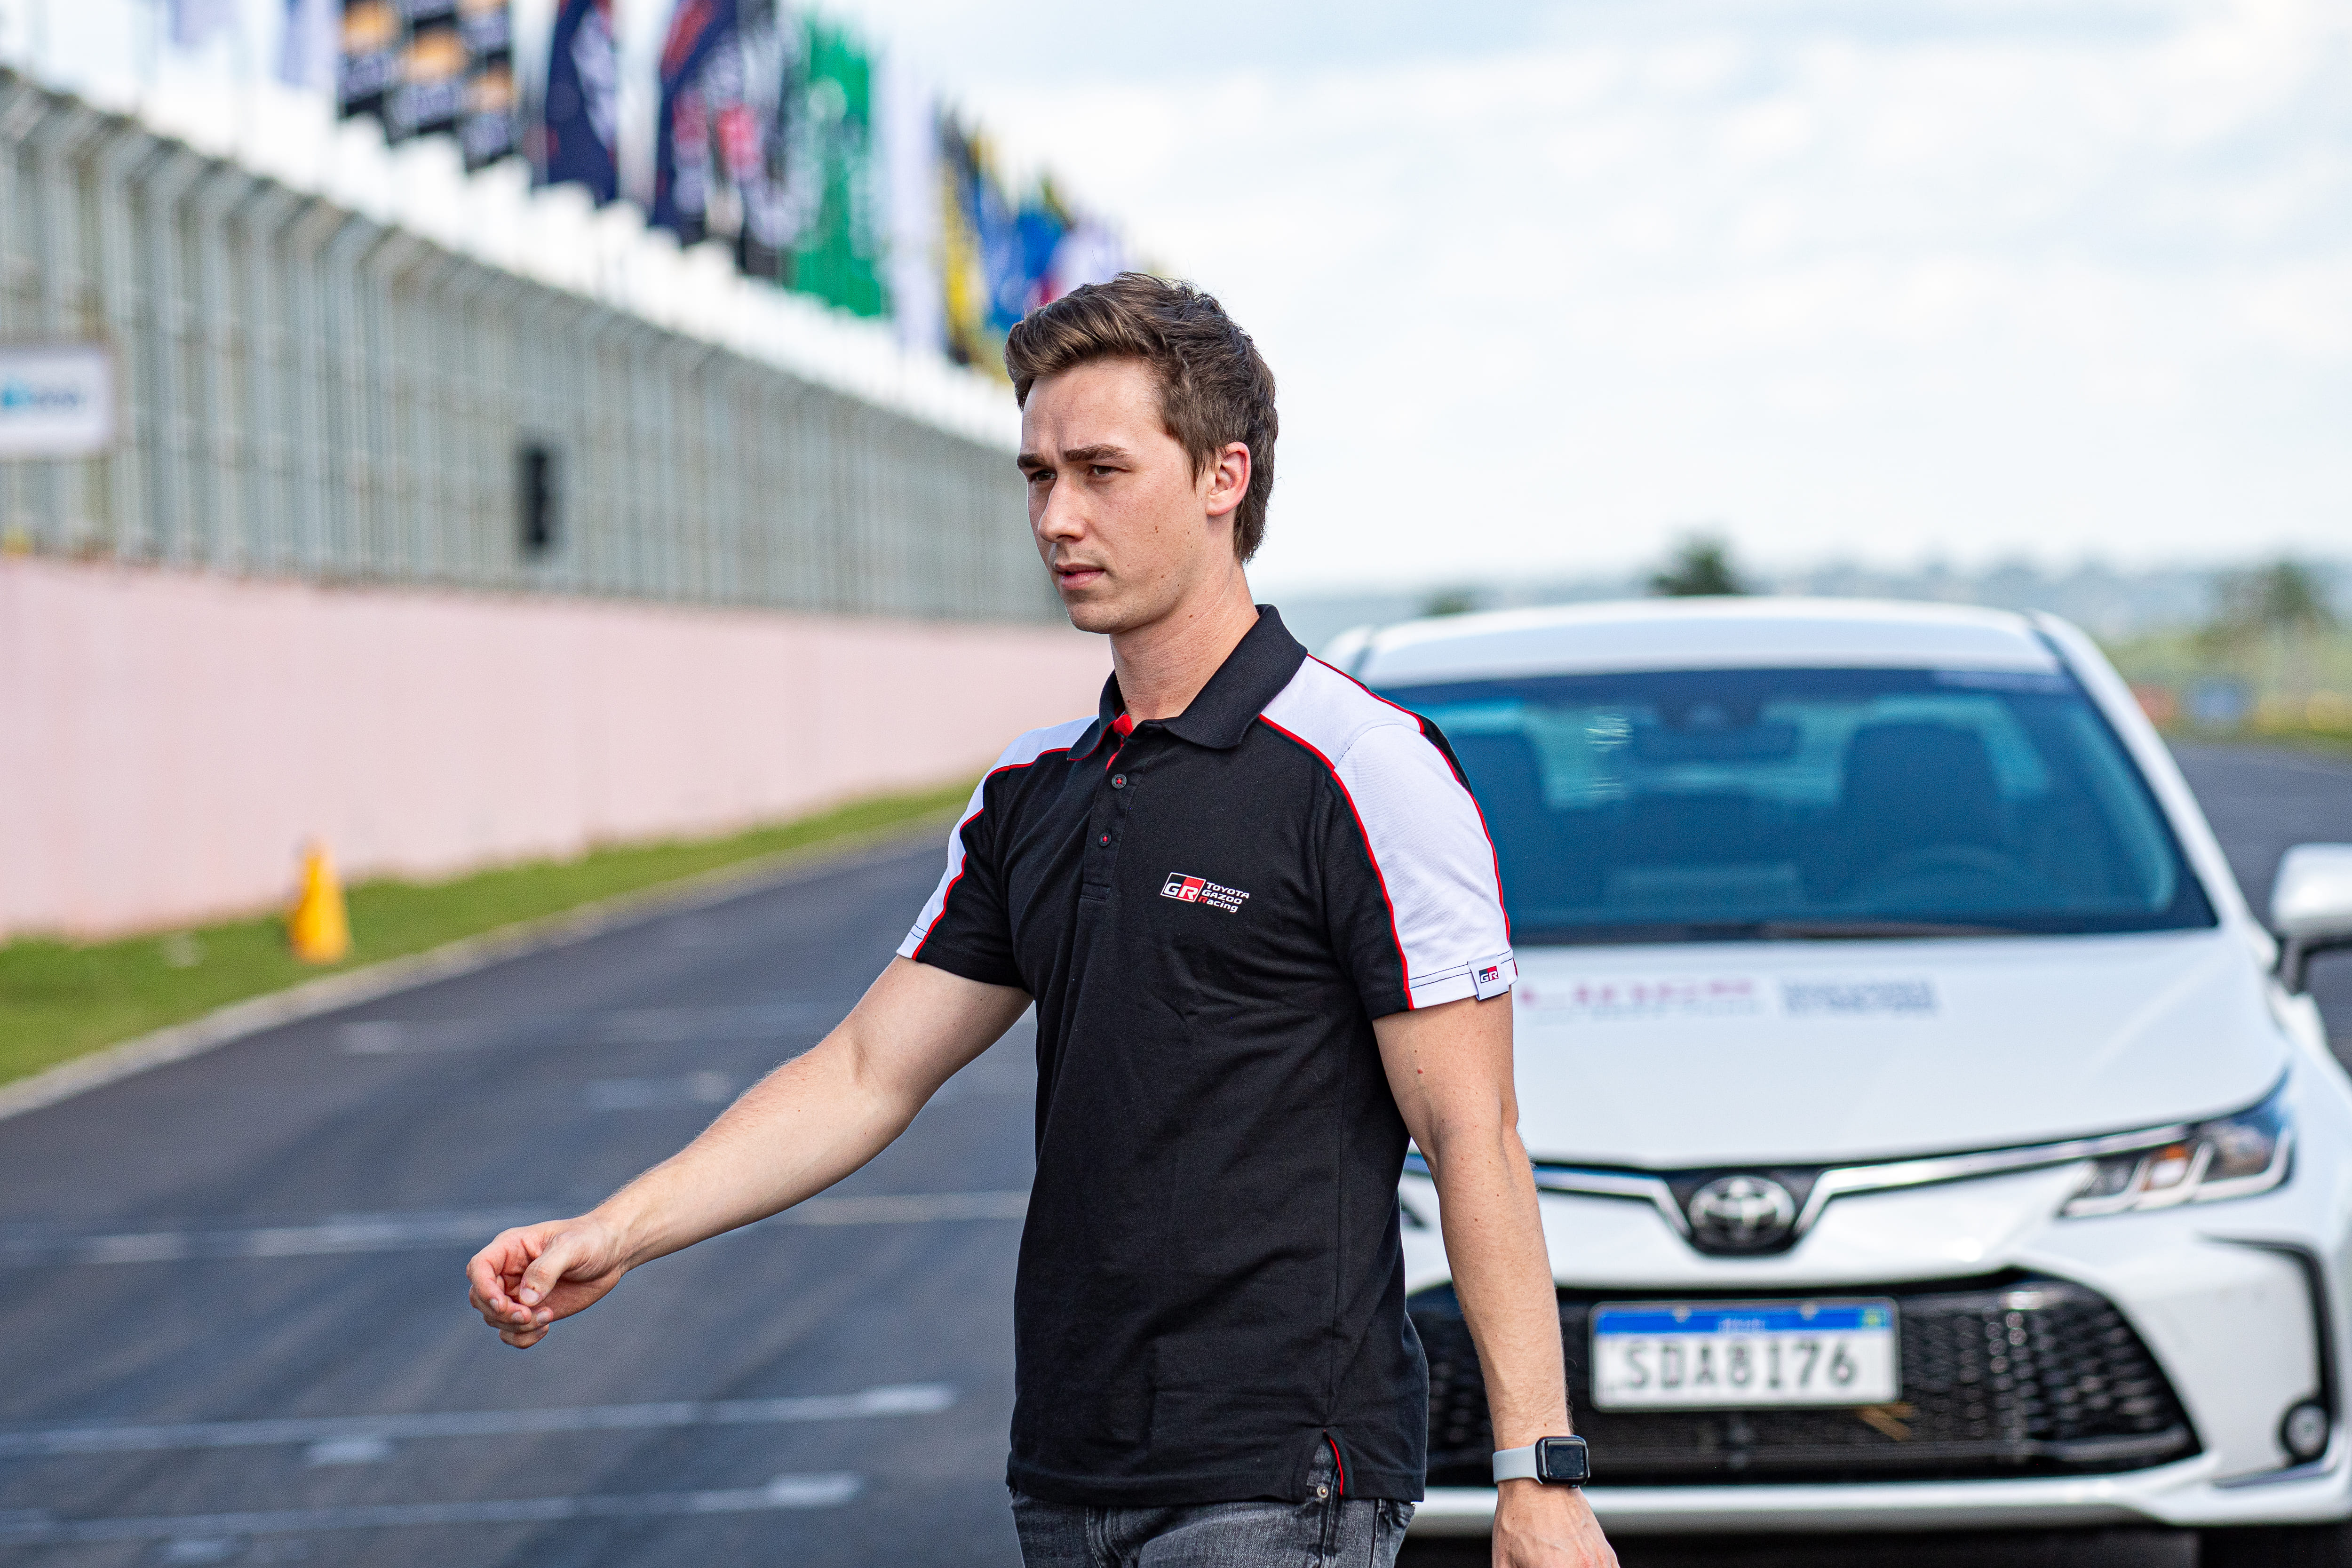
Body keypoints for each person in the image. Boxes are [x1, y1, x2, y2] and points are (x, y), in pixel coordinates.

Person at [467, 274, 1617, 1568]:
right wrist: (615, 1230)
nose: (1057, 517)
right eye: (1036, 475)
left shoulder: (1362, 768)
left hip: (1282, 1471)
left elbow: (1474, 1130)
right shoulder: (1034, 791)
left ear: (1223, 477)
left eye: (1101, 471)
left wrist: (1538, 1473)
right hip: (1070, 1471)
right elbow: (860, 1075)